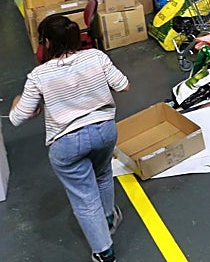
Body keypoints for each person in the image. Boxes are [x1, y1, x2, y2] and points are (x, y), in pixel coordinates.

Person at [9, 15, 131, 262]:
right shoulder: (96, 57)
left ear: (46, 43)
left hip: (67, 142)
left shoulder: (38, 76)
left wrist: (17, 102)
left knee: (84, 198)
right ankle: (109, 217)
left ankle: (104, 252)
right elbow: (123, 85)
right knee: (103, 174)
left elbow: (18, 117)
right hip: (104, 131)